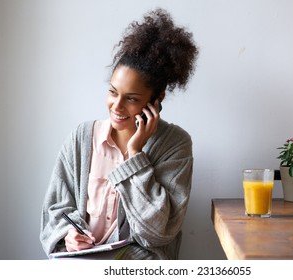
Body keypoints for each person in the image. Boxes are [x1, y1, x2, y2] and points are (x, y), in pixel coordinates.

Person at [40, 8, 198, 260]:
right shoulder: (81, 138)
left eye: (132, 99)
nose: (117, 106)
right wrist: (68, 234)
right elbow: (55, 210)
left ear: (156, 100)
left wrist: (135, 154)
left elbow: (157, 233)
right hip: (79, 263)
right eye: (113, 92)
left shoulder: (175, 144)